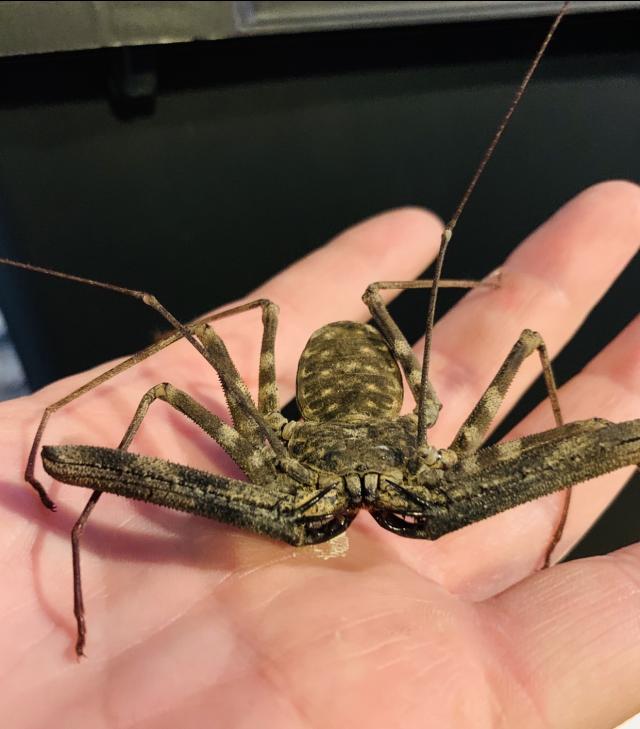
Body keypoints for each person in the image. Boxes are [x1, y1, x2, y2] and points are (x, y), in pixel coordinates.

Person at [1, 181, 638, 727]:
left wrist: (564, 491)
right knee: (170, 372)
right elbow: (160, 395)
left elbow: (542, 367)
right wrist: (54, 457)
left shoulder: (420, 428)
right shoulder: (274, 441)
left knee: (535, 349)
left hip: (386, 415)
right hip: (325, 418)